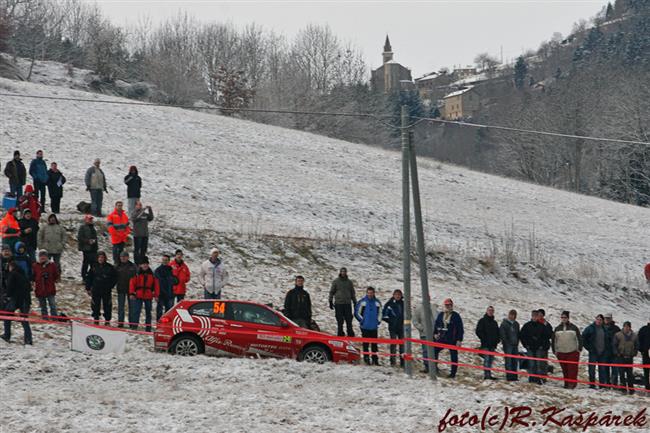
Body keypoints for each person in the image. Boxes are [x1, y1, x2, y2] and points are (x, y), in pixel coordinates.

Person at [1, 261, 32, 345]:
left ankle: (7, 335)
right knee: (24, 319)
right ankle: (28, 339)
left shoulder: (12, 274)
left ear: (11, 267)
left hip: (16, 299)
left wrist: (7, 296)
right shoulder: (23, 275)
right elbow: (30, 288)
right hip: (26, 299)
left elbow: (10, 287)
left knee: (7, 316)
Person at [433, 298, 464, 378]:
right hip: (442, 338)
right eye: (446, 305)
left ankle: (453, 373)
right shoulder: (441, 314)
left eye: (449, 305)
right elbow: (436, 324)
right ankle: (434, 368)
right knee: (434, 351)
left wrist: (459, 340)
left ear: (452, 306)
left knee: (454, 356)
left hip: (452, 339)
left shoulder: (456, 316)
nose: (448, 306)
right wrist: (435, 333)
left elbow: (460, 329)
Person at [520, 310, 553, 384]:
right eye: (533, 316)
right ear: (531, 316)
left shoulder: (542, 326)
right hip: (530, 348)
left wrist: (542, 346)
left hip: (539, 348)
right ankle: (532, 377)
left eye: (536, 316)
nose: (534, 317)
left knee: (539, 363)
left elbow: (546, 336)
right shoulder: (527, 325)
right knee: (531, 363)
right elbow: (522, 336)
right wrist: (526, 345)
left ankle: (539, 378)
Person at [552, 311, 583, 389]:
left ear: (568, 318)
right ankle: (566, 383)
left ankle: (572, 384)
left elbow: (579, 338)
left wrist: (579, 349)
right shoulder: (557, 328)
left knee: (572, 369)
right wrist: (554, 350)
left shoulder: (574, 327)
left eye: (565, 317)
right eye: (562, 317)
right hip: (561, 352)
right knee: (564, 369)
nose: (563, 319)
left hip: (572, 352)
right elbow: (553, 340)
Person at [86, 251, 117, 325]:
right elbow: (89, 278)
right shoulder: (93, 267)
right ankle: (96, 319)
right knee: (95, 305)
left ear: (105, 258)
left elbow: (115, 277)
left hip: (106, 290)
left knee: (107, 305)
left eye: (102, 257)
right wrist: (88, 288)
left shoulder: (110, 267)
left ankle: (107, 320)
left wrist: (111, 285)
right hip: (96, 289)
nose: (101, 259)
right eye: (99, 257)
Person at [129, 256, 159, 332]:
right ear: (140, 265)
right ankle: (134, 326)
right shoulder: (137, 274)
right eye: (143, 264)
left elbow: (156, 285)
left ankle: (148, 327)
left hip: (148, 295)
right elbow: (132, 283)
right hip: (138, 295)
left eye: (146, 264)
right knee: (136, 311)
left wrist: (156, 295)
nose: (145, 265)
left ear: (148, 265)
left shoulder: (152, 274)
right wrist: (132, 293)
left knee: (148, 312)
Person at [355, 286, 382, 366]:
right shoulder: (362, 302)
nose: (370, 294)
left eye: (371, 293)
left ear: (374, 293)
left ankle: (375, 359)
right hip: (365, 327)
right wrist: (362, 320)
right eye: (368, 293)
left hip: (374, 327)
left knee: (374, 344)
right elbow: (357, 312)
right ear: (366, 293)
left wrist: (378, 321)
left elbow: (380, 313)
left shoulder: (377, 302)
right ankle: (366, 359)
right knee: (365, 344)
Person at [582, 314, 610, 388]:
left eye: (600, 320)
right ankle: (592, 384)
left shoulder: (605, 329)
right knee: (592, 369)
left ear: (602, 321)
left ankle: (602, 385)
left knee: (602, 369)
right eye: (597, 319)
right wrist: (588, 347)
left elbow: (608, 340)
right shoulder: (590, 328)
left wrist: (606, 349)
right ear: (595, 319)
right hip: (593, 352)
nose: (599, 321)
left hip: (603, 352)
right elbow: (583, 338)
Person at [329, 267, 357, 337]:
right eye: (342, 271)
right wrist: (330, 301)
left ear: (346, 272)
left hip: (347, 303)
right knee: (339, 320)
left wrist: (355, 302)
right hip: (339, 304)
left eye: (344, 272)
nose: (343, 273)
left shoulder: (349, 282)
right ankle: (340, 333)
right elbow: (332, 292)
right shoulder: (336, 281)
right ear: (340, 272)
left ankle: (350, 333)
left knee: (349, 319)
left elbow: (352, 293)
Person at [413, 295, 438, 373]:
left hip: (434, 333)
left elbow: (437, 319)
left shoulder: (433, 307)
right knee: (425, 350)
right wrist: (422, 328)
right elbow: (415, 321)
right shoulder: (419, 308)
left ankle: (434, 367)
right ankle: (427, 366)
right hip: (424, 334)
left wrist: (437, 330)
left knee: (434, 350)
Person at [32, 250, 59, 319]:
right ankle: (45, 317)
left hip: (50, 288)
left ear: (47, 257)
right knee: (42, 305)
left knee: (52, 304)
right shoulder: (35, 265)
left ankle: (54, 317)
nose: (43, 258)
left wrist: (49, 277)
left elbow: (56, 275)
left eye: (44, 256)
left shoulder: (52, 265)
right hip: (40, 289)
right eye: (41, 256)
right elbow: (33, 276)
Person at [613, 321, 639, 395]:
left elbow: (637, 345)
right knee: (621, 374)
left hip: (629, 357)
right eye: (625, 326)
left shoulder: (634, 336)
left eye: (628, 327)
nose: (626, 328)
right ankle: (623, 388)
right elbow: (614, 345)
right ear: (623, 327)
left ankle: (631, 389)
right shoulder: (618, 335)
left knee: (629, 374)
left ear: (630, 327)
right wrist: (617, 353)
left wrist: (634, 352)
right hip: (621, 357)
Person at [476, 305, 500, 380]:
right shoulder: (482, 321)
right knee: (486, 359)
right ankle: (486, 375)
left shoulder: (494, 322)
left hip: (493, 345)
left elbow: (498, 333)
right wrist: (484, 339)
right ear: (486, 311)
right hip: (485, 344)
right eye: (489, 310)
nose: (490, 312)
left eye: (492, 311)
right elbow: (478, 331)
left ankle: (489, 374)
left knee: (490, 360)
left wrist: (497, 340)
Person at [382, 289, 404, 367]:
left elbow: (408, 315)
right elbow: (384, 315)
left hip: (402, 328)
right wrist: (391, 321)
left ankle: (403, 362)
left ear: (401, 296)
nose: (397, 296)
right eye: (396, 294)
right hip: (393, 327)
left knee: (402, 346)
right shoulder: (389, 304)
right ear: (393, 295)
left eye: (399, 295)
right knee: (393, 345)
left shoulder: (403, 304)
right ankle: (393, 362)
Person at [115, 251, 137, 328]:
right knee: (121, 307)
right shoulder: (117, 266)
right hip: (121, 289)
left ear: (128, 257)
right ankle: (120, 322)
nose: (123, 258)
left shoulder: (133, 266)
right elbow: (114, 277)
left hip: (131, 290)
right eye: (121, 257)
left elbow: (136, 278)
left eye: (124, 257)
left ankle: (131, 322)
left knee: (132, 307)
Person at [77, 214, 98, 288]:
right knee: (86, 263)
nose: (90, 221)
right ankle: (84, 277)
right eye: (89, 219)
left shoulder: (93, 227)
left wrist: (94, 242)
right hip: (86, 249)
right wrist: (88, 241)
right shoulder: (82, 227)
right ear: (86, 220)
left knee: (93, 264)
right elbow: (80, 238)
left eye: (91, 219)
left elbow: (95, 237)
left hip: (93, 248)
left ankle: (92, 277)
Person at [500, 309, 520, 381]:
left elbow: (518, 334)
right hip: (508, 345)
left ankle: (515, 376)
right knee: (508, 361)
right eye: (511, 315)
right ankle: (509, 376)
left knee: (515, 361)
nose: (512, 316)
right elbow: (503, 335)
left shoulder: (516, 324)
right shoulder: (504, 324)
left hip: (515, 345)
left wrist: (517, 342)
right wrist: (506, 342)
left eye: (514, 315)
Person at [154, 254, 175, 321]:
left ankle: (167, 326)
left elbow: (175, 280)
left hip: (169, 293)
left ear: (169, 261)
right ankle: (158, 324)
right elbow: (157, 282)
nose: (165, 261)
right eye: (163, 260)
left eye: (166, 260)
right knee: (159, 311)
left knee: (169, 311)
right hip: (161, 293)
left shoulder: (171, 270)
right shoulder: (158, 270)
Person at [603, 313, 622, 386]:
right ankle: (607, 383)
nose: (607, 320)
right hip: (604, 352)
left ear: (611, 319)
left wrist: (618, 350)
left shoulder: (616, 328)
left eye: (608, 318)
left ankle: (614, 384)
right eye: (606, 318)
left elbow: (620, 339)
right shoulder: (601, 327)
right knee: (605, 369)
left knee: (615, 369)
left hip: (614, 353)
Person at [638, 317, 650, 390]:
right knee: (646, 371)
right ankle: (647, 387)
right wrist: (642, 350)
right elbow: (639, 340)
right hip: (646, 354)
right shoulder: (644, 329)